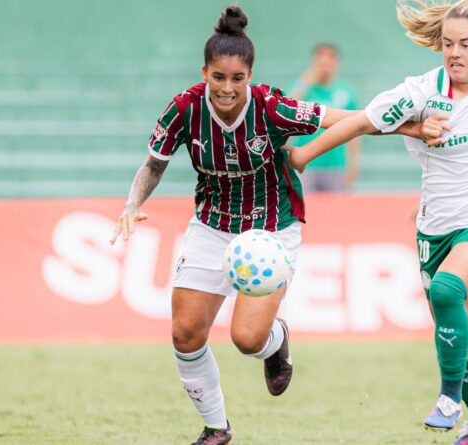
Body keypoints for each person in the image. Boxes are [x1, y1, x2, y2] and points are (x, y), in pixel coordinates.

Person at [109, 6, 426, 444]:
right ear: (204, 72)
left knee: (247, 338)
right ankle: (216, 427)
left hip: (271, 229)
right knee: (184, 333)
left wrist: (413, 128)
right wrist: (131, 203)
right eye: (218, 77)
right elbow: (153, 166)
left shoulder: (270, 107)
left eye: (237, 79)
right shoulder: (183, 109)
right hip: (211, 226)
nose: (226, 88)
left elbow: (344, 119)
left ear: (249, 77)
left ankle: (276, 343)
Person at [285, 1, 468, 443]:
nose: (454, 53)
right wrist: (304, 155)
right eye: (447, 44)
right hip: (436, 229)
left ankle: (449, 397)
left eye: (465, 44)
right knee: (461, 334)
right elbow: (361, 123)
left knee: (448, 288)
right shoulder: (420, 93)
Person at [290, 43, 362, 192]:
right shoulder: (303, 89)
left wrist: (352, 166)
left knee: (336, 211)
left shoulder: (346, 91)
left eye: (330, 59)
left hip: (336, 165)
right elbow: (287, 111)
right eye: (321, 60)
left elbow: (356, 131)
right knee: (304, 210)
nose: (325, 64)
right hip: (306, 164)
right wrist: (304, 82)